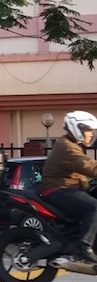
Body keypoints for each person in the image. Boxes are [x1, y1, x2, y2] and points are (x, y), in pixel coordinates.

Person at [40, 111, 97, 264]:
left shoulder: (72, 145)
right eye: (88, 130)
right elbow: (88, 166)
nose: (91, 135)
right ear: (77, 129)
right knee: (95, 208)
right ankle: (83, 247)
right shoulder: (66, 147)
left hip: (67, 189)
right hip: (59, 190)